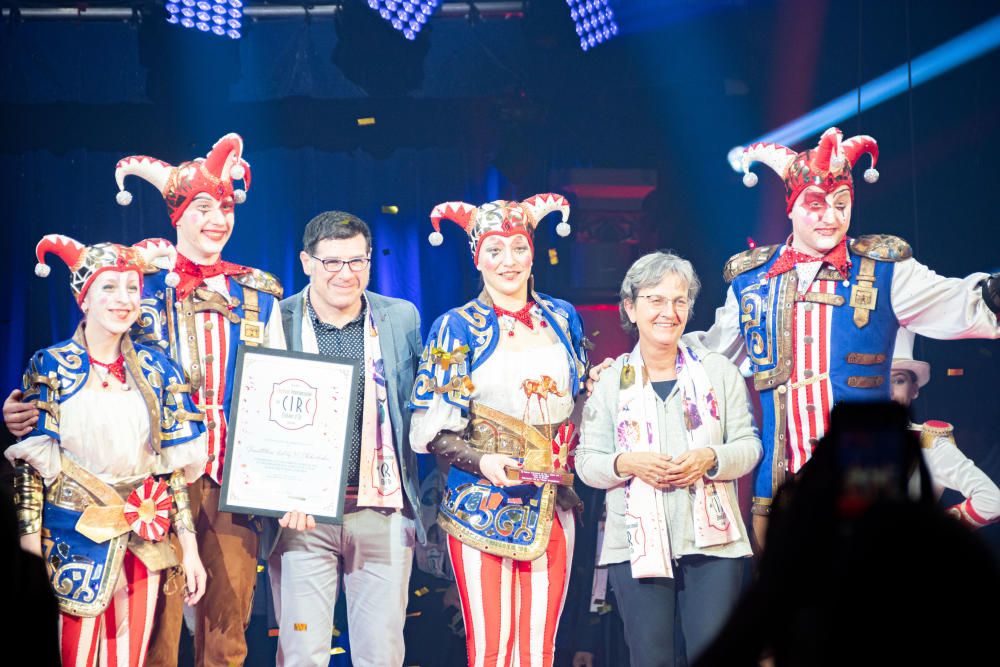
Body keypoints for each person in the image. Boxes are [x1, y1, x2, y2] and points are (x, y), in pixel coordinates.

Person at [4, 134, 290, 667]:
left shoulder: (258, 291)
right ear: (176, 213)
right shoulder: (138, 283)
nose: (217, 219)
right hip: (156, 486)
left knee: (228, 631)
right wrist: (19, 410)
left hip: (235, 479)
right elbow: (84, 369)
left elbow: (283, 393)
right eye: (203, 207)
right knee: (155, 629)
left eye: (225, 207)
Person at [689, 126, 1000, 548]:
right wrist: (632, 364)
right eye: (816, 205)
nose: (830, 217)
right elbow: (710, 356)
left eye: (841, 204)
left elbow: (957, 304)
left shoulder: (885, 268)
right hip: (780, 491)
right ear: (792, 208)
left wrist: (992, 294)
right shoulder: (752, 280)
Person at [5, 235, 208, 666]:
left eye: (132, 288)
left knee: (129, 659)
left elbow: (171, 470)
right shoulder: (52, 364)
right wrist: (28, 550)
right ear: (84, 299)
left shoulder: (157, 369)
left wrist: (189, 550)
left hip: (142, 541)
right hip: (70, 541)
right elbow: (30, 466)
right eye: (109, 288)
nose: (123, 299)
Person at [409, 194, 589, 667]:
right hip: (480, 504)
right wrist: (484, 461)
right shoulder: (455, 328)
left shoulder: (563, 317)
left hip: (554, 504)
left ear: (533, 252)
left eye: (518, 247)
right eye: (495, 250)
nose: (508, 261)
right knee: (490, 647)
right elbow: (432, 430)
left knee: (540, 648)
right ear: (477, 258)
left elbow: (581, 399)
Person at [575, 251, 761, 667]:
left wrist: (711, 457)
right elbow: (587, 462)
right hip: (637, 546)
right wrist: (627, 463)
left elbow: (749, 446)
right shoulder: (610, 380)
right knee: (650, 659)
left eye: (679, 301)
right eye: (655, 300)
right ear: (631, 307)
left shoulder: (718, 371)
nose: (668, 312)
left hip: (715, 545)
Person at [261, 211, 424, 666]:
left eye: (357, 261)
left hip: (381, 509)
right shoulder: (279, 318)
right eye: (332, 262)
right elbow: (259, 414)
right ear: (307, 262)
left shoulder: (399, 317)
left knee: (382, 652)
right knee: (301, 652)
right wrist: (279, 494)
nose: (345, 274)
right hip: (303, 518)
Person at [890, 329, 1000, 528]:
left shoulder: (929, 444)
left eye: (898, 380)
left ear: (914, 389)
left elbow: (991, 502)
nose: (887, 391)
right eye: (878, 380)